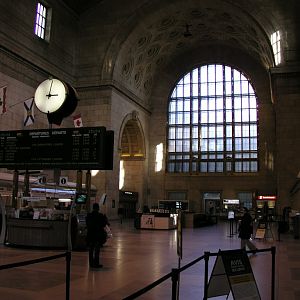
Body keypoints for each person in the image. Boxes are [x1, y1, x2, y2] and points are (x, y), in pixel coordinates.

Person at [86, 203, 109, 268]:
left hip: (90, 235)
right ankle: (96, 263)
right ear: (98, 208)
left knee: (91, 250)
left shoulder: (89, 215)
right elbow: (104, 224)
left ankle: (91, 263)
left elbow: (87, 224)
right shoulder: (100, 216)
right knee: (97, 250)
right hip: (97, 235)